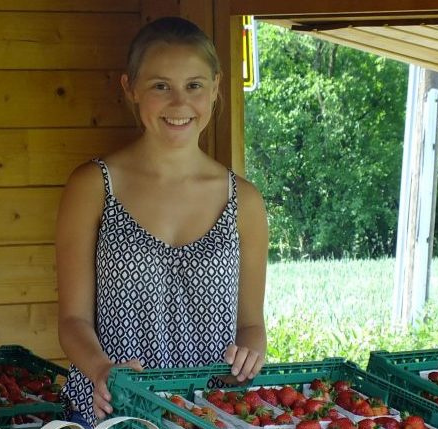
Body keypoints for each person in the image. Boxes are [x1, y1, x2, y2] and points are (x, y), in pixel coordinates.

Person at [55, 16, 269, 427]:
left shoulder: (244, 201)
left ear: (216, 88)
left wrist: (248, 356)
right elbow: (72, 321)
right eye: (160, 86)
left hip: (205, 415)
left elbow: (251, 325)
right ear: (130, 88)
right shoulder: (93, 186)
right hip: (110, 414)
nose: (179, 103)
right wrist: (102, 371)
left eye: (194, 85)